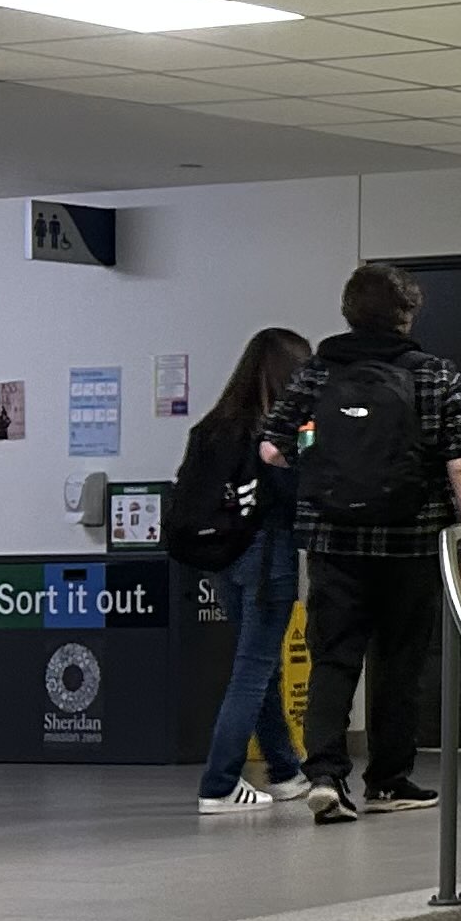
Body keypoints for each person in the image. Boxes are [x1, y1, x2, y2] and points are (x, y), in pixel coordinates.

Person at [263, 262, 461, 823]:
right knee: (400, 663)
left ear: (348, 312)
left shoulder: (314, 374)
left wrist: (320, 464)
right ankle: (388, 781)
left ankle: (325, 776)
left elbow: (272, 448)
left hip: (333, 542)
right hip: (412, 541)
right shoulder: (435, 375)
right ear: (407, 315)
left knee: (333, 659)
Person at [178, 326, 314, 816]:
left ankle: (285, 771)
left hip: (224, 559)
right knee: (252, 672)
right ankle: (219, 784)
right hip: (267, 558)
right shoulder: (278, 435)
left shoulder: (212, 427)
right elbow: (296, 497)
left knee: (262, 666)